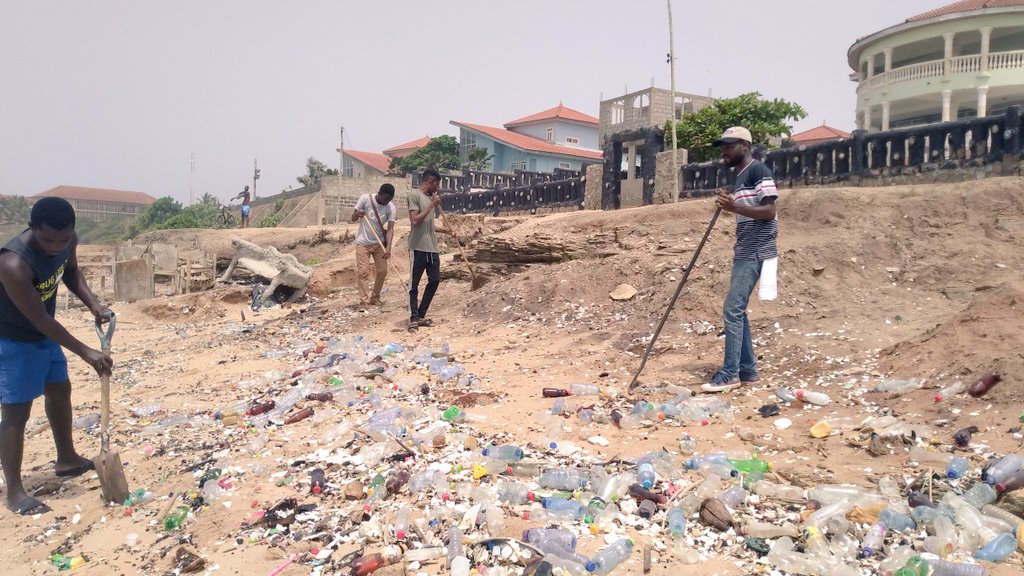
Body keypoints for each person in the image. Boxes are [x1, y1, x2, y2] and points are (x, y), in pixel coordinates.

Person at [0, 197, 113, 514]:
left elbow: (71, 272)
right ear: (32, 227)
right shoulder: (12, 263)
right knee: (15, 413)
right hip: (13, 340)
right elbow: (39, 318)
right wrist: (86, 351)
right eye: (47, 239)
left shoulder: (67, 241)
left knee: (60, 391)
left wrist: (94, 304)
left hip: (46, 336)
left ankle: (67, 459)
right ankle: (15, 492)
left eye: (62, 239)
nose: (55, 246)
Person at [702, 126, 778, 393]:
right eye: (723, 145)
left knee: (732, 310)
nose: (724, 150)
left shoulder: (758, 170)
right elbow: (750, 210)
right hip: (745, 249)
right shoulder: (741, 176)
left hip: (757, 250)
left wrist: (735, 206)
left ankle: (730, 374)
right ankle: (747, 370)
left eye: (729, 145)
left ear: (745, 146)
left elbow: (769, 210)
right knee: (738, 311)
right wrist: (731, 204)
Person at [406, 168, 453, 332]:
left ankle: (421, 314)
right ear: (430, 182)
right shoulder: (415, 196)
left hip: (432, 248)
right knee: (414, 284)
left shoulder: (430, 198)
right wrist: (431, 206)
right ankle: (413, 317)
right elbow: (415, 221)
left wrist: (446, 231)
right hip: (417, 247)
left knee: (434, 280)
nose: (438, 188)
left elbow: (429, 224)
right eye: (437, 184)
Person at [350, 183, 397, 310]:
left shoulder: (391, 208)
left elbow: (391, 229)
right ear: (380, 194)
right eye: (385, 199)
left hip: (379, 244)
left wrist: (388, 248)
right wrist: (358, 214)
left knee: (382, 271)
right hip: (362, 243)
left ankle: (375, 297)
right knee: (363, 272)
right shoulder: (365, 199)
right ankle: (363, 301)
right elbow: (353, 218)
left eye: (389, 200)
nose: (387, 202)